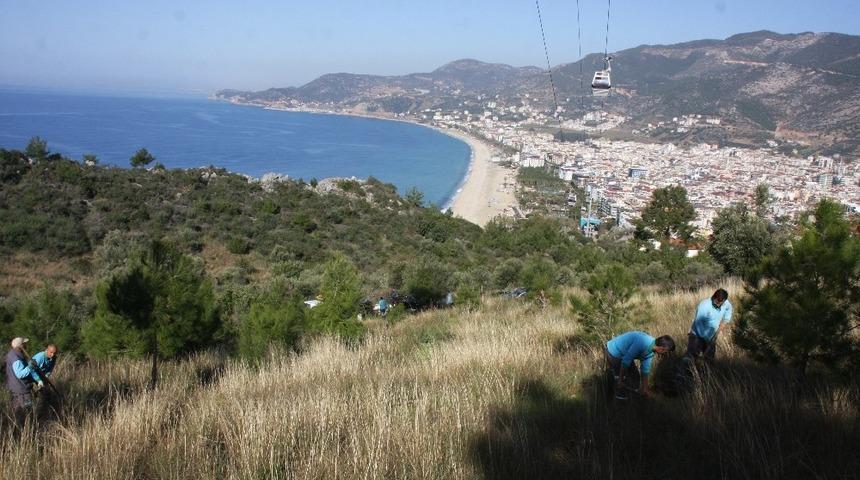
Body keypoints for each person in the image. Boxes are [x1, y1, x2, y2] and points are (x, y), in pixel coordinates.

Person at [605, 331, 675, 399]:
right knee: (621, 380)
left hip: (624, 355)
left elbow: (645, 369)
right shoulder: (643, 342)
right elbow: (626, 361)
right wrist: (620, 379)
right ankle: (620, 401)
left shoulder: (651, 351)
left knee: (635, 377)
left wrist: (645, 388)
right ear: (662, 348)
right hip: (614, 351)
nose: (665, 355)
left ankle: (633, 397)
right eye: (666, 352)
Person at [687, 288, 733, 362]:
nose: (718, 304)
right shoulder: (704, 306)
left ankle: (705, 372)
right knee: (691, 358)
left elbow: (728, 310)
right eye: (717, 301)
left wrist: (724, 322)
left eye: (720, 303)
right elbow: (699, 325)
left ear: (724, 300)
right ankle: (684, 372)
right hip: (697, 336)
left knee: (709, 360)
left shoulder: (726, 303)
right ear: (713, 297)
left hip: (712, 337)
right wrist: (708, 340)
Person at [5, 337, 38, 428]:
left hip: (16, 390)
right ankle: (27, 432)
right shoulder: (16, 357)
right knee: (27, 414)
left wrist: (35, 380)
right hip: (22, 392)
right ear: (20, 346)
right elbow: (20, 374)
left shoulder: (13, 354)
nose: (26, 345)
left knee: (17, 414)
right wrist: (30, 366)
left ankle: (18, 432)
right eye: (24, 343)